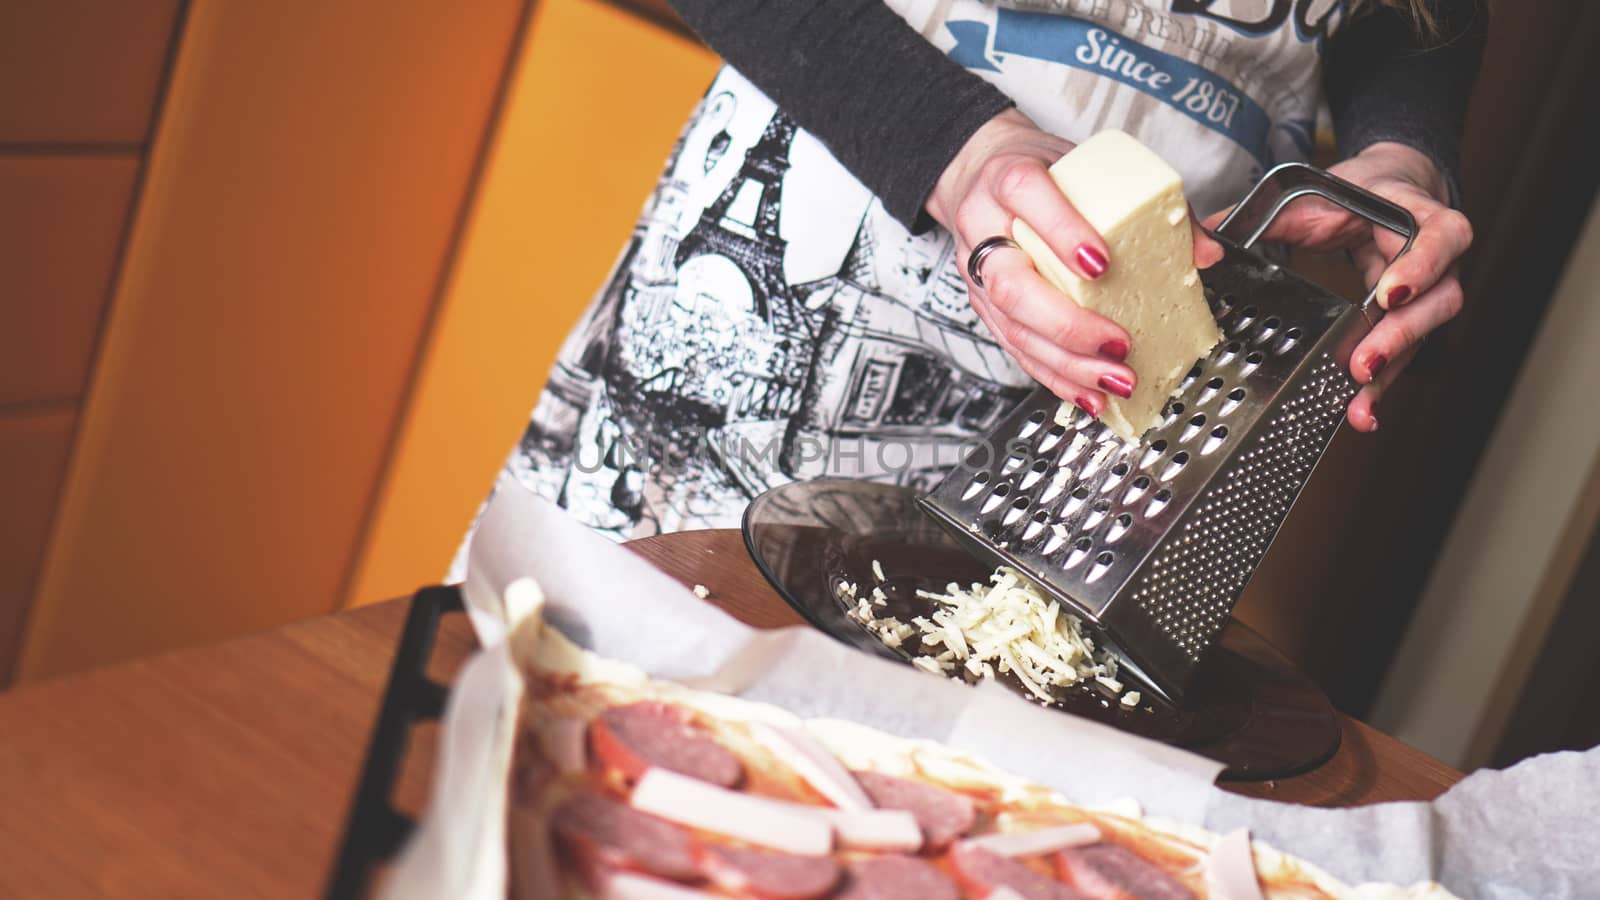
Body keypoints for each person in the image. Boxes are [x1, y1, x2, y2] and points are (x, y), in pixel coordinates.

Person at [474, 0, 1485, 543]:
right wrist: (956, 148)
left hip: (1141, 386)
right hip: (819, 243)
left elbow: (1412, 16)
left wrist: (1400, 154)